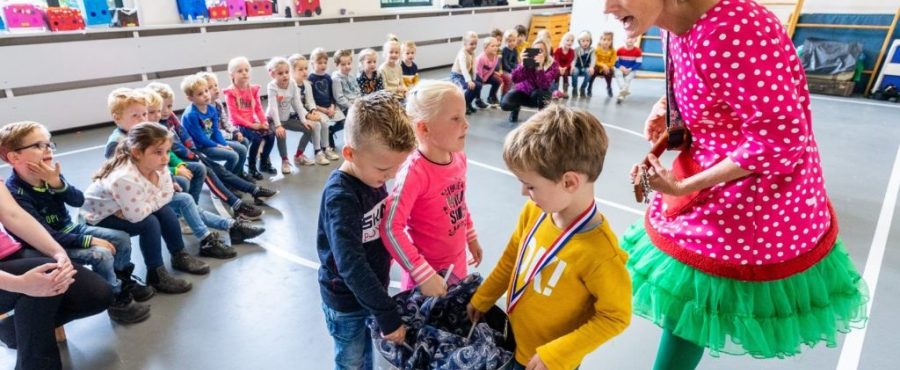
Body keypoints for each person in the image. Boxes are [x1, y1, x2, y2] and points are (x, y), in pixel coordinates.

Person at [605, 0, 869, 368]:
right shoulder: (671, 21)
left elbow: (782, 139)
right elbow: (714, 87)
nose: (606, 7)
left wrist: (684, 187)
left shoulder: (736, 32)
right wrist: (669, 107)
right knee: (691, 304)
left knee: (700, 299)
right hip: (713, 175)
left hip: (755, 198)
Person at [468, 105, 631, 370]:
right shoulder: (535, 210)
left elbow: (616, 317)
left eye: (531, 186)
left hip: (548, 362)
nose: (523, 192)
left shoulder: (602, 253)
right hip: (513, 342)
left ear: (569, 182)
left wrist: (558, 353)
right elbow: (513, 258)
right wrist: (485, 296)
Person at [1, 121, 151, 324]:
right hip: (48, 244)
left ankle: (122, 280)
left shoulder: (50, 174)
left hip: (70, 229)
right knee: (102, 254)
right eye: (37, 145)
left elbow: (78, 201)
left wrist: (57, 183)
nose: (47, 149)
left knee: (122, 239)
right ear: (14, 156)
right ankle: (116, 299)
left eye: (49, 144)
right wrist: (88, 241)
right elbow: (46, 235)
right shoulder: (14, 192)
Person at [317, 91, 417, 370]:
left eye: (397, 168)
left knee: (364, 357)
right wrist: (387, 314)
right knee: (352, 360)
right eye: (385, 169)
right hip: (345, 302)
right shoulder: (341, 197)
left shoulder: (370, 176)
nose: (391, 176)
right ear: (349, 153)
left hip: (370, 294)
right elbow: (350, 264)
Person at [380, 80, 483, 297]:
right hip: (426, 278)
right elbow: (391, 227)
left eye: (464, 116)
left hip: (457, 264)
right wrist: (422, 273)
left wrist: (470, 236)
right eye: (455, 118)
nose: (466, 124)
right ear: (424, 127)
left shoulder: (458, 157)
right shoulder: (414, 173)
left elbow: (458, 201)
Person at [82, 123, 209, 294]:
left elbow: (168, 195)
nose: (165, 158)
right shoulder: (124, 178)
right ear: (136, 152)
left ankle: (179, 255)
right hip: (97, 218)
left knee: (166, 212)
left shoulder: (158, 166)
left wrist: (145, 202)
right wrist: (148, 202)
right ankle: (156, 273)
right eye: (158, 152)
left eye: (167, 151)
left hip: (126, 209)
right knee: (150, 223)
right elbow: (136, 216)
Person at [0, 183, 112, 370]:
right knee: (47, 277)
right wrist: (19, 283)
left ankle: (11, 331)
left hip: (11, 255)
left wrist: (58, 253)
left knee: (97, 295)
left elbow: (14, 215)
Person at [223, 56, 276, 179]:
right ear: (232, 74)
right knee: (256, 138)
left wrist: (263, 121)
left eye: (246, 70)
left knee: (270, 135)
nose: (244, 73)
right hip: (239, 124)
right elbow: (234, 116)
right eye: (240, 71)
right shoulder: (230, 93)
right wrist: (253, 125)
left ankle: (264, 162)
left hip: (252, 121)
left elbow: (258, 108)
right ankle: (252, 167)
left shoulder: (253, 89)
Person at [500, 39, 558, 123]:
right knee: (505, 104)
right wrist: (522, 65)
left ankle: (541, 118)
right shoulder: (528, 61)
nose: (538, 53)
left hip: (540, 94)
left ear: (546, 52)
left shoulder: (553, 64)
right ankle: (516, 109)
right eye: (535, 50)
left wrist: (540, 68)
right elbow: (515, 79)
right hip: (524, 91)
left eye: (541, 51)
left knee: (539, 93)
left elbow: (544, 84)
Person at [331, 49, 361, 150]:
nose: (347, 66)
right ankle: (333, 131)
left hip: (355, 103)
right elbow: (339, 98)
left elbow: (357, 90)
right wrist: (352, 105)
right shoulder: (336, 79)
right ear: (337, 64)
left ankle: (359, 139)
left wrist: (358, 101)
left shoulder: (351, 76)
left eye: (349, 63)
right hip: (343, 107)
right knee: (351, 121)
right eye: (343, 64)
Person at [450, 32, 482, 115]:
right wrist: (469, 81)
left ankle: (468, 103)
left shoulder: (473, 53)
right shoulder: (462, 54)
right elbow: (463, 68)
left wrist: (473, 79)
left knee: (478, 85)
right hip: (456, 76)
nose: (474, 46)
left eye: (475, 44)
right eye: (471, 44)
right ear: (465, 44)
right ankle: (463, 106)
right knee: (470, 86)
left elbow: (473, 67)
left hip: (464, 76)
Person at [475, 36, 503, 107]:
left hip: (486, 75)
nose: (495, 47)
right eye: (492, 46)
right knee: (479, 84)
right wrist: (482, 80)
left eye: (496, 46)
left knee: (498, 81)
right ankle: (478, 100)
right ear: (485, 48)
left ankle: (491, 97)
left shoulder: (495, 57)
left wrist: (485, 79)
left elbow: (491, 70)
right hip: (477, 75)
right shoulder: (481, 58)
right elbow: (478, 71)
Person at [614, 36, 642, 103]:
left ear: (635, 40)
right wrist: (621, 67)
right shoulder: (619, 50)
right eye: (628, 38)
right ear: (624, 39)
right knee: (618, 75)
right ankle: (624, 90)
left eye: (632, 38)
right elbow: (615, 62)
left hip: (631, 69)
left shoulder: (638, 51)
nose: (630, 40)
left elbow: (639, 63)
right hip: (620, 68)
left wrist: (630, 69)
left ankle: (621, 95)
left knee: (628, 79)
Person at [591, 31, 616, 98]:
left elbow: (612, 62)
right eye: (604, 39)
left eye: (608, 40)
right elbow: (595, 61)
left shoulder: (613, 51)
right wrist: (603, 65)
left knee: (609, 72)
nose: (606, 42)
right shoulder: (597, 50)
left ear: (611, 41)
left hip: (607, 68)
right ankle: (590, 87)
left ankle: (609, 87)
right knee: (594, 69)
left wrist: (606, 66)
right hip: (598, 67)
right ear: (600, 40)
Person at [571, 31, 596, 98]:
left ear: (590, 41)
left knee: (589, 72)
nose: (585, 43)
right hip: (577, 66)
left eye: (587, 41)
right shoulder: (576, 50)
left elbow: (593, 59)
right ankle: (574, 88)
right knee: (575, 72)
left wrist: (591, 67)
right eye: (583, 41)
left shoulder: (592, 50)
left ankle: (583, 88)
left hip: (586, 67)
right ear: (579, 42)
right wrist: (572, 66)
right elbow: (574, 59)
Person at [552, 32, 576, 99]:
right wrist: (560, 68)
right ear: (563, 41)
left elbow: (569, 61)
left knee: (565, 75)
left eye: (572, 41)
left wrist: (565, 68)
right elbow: (556, 60)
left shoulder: (572, 51)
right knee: (557, 74)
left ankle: (565, 91)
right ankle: (555, 91)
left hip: (566, 68)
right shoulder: (558, 50)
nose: (570, 42)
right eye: (568, 40)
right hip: (558, 67)